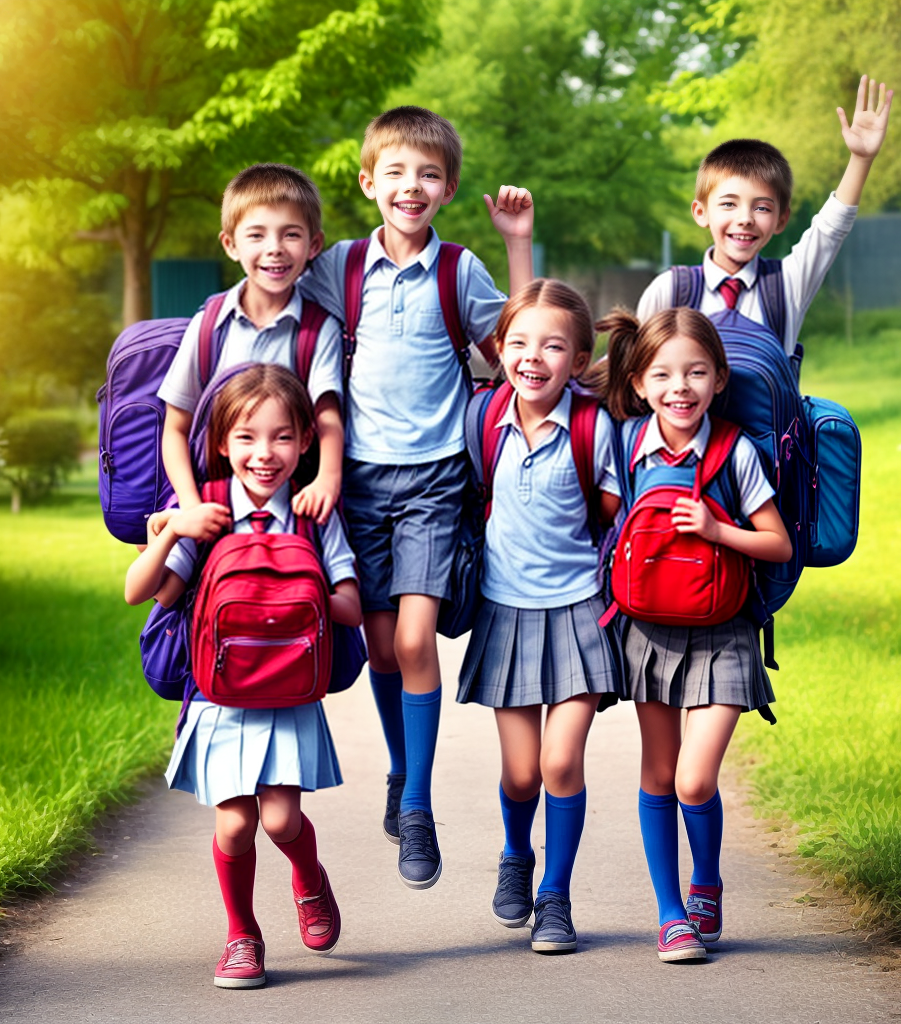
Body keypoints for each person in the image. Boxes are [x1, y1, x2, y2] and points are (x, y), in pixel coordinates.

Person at [296, 105, 535, 888]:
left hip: (436, 478)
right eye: (395, 172)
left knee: (414, 640)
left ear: (449, 189)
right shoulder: (340, 265)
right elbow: (276, 288)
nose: (412, 186)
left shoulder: (457, 270)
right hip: (358, 481)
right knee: (379, 645)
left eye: (429, 175)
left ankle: (420, 805)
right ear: (368, 182)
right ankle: (401, 773)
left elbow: (519, 343)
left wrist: (517, 244)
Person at [125, 364, 362, 989]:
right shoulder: (204, 509)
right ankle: (242, 934)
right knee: (234, 825)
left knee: (281, 821)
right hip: (220, 694)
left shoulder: (312, 514)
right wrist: (171, 530)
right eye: (247, 437)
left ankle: (308, 879)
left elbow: (350, 605)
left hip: (287, 691)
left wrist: (293, 588)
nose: (265, 453)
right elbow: (142, 592)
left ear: (306, 441)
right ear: (222, 442)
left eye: (282, 437)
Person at [595, 307, 793, 963]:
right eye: (662, 374)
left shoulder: (735, 451)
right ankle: (671, 913)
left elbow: (777, 543)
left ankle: (706, 880)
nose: (680, 387)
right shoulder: (627, 445)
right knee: (658, 774)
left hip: (723, 634)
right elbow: (601, 524)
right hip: (648, 632)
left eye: (696, 372)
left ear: (719, 378)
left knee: (693, 780)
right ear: (639, 382)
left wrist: (716, 530)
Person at [458, 279, 622, 954]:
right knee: (522, 773)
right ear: (498, 348)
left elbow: (610, 512)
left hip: (579, 613)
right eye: (519, 342)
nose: (533, 356)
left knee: (560, 764)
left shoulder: (593, 427)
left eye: (553, 346)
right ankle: (517, 853)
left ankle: (555, 896)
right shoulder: (482, 418)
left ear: (579, 360)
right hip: (507, 615)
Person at [637, 75, 894, 353]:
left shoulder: (787, 285)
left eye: (761, 208)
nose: (745, 218)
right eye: (729, 204)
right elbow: (630, 366)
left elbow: (829, 231)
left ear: (781, 219)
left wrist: (861, 159)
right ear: (701, 212)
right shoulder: (671, 290)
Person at [159, 163, 345, 525]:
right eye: (256, 235)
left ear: (314, 245)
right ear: (231, 245)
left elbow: (327, 417)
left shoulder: (318, 330)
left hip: (290, 513)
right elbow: (175, 427)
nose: (274, 249)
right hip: (212, 508)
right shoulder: (209, 326)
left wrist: (327, 478)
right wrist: (191, 506)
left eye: (291, 235)